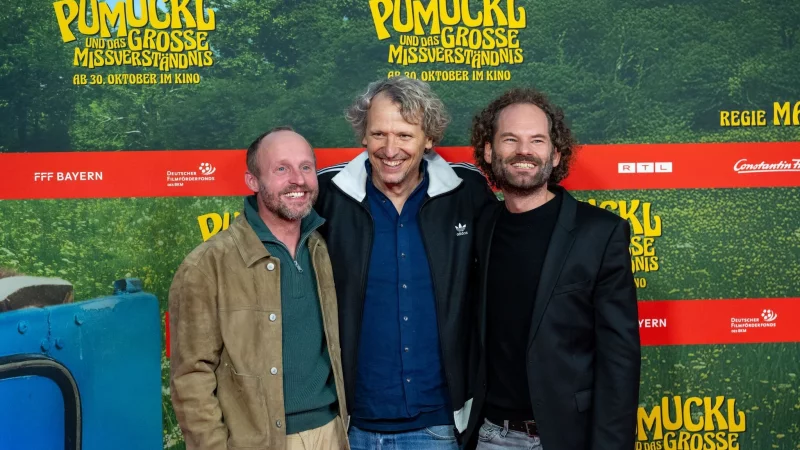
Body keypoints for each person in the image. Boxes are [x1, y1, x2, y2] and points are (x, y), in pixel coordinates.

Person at [315, 76, 497, 449]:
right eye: (378, 134)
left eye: (404, 135)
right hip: (348, 426)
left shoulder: (467, 191)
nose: (389, 148)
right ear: (363, 136)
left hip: (440, 426)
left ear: (429, 138)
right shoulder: (327, 195)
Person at [464, 88, 641, 450]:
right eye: (510, 139)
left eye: (537, 140)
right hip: (491, 435)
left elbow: (619, 360)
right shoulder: (482, 226)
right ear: (488, 150)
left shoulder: (600, 233)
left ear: (555, 153)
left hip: (567, 438)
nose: (523, 151)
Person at [169, 127, 349, 450]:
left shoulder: (322, 248)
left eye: (306, 167)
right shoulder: (207, 266)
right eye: (282, 169)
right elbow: (191, 379)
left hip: (332, 434)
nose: (298, 180)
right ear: (253, 181)